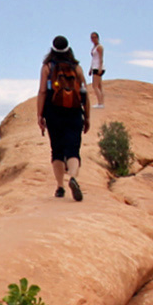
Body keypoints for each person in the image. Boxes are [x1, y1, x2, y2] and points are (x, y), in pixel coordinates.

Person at [39, 35, 91, 201]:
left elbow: (42, 91)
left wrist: (40, 115)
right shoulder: (76, 68)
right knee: (73, 149)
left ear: (52, 49)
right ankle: (73, 177)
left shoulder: (48, 67)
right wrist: (87, 116)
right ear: (68, 49)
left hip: (53, 112)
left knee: (57, 150)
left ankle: (60, 187)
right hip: (74, 112)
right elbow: (84, 93)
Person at [90, 31, 106, 107]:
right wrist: (90, 68)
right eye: (91, 37)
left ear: (97, 38)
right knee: (99, 86)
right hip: (94, 67)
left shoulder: (99, 47)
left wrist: (100, 67)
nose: (93, 39)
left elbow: (101, 58)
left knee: (95, 86)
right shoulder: (94, 47)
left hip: (98, 67)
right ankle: (101, 102)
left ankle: (100, 103)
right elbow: (93, 59)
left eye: (94, 37)